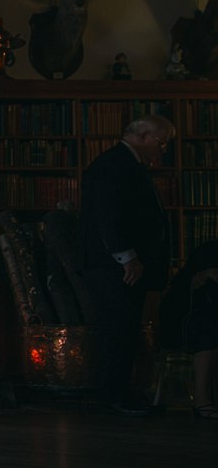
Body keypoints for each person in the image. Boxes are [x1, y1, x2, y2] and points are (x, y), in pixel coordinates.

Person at [80, 114, 174, 417]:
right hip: (115, 268)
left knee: (126, 329)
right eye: (161, 142)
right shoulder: (114, 165)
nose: (162, 150)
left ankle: (120, 392)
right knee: (118, 330)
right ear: (143, 136)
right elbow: (108, 215)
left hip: (121, 267)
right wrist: (127, 257)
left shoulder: (127, 164)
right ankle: (114, 395)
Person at [157, 240, 218, 419]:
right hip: (183, 330)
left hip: (205, 326)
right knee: (210, 336)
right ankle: (202, 400)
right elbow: (176, 314)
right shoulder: (188, 286)